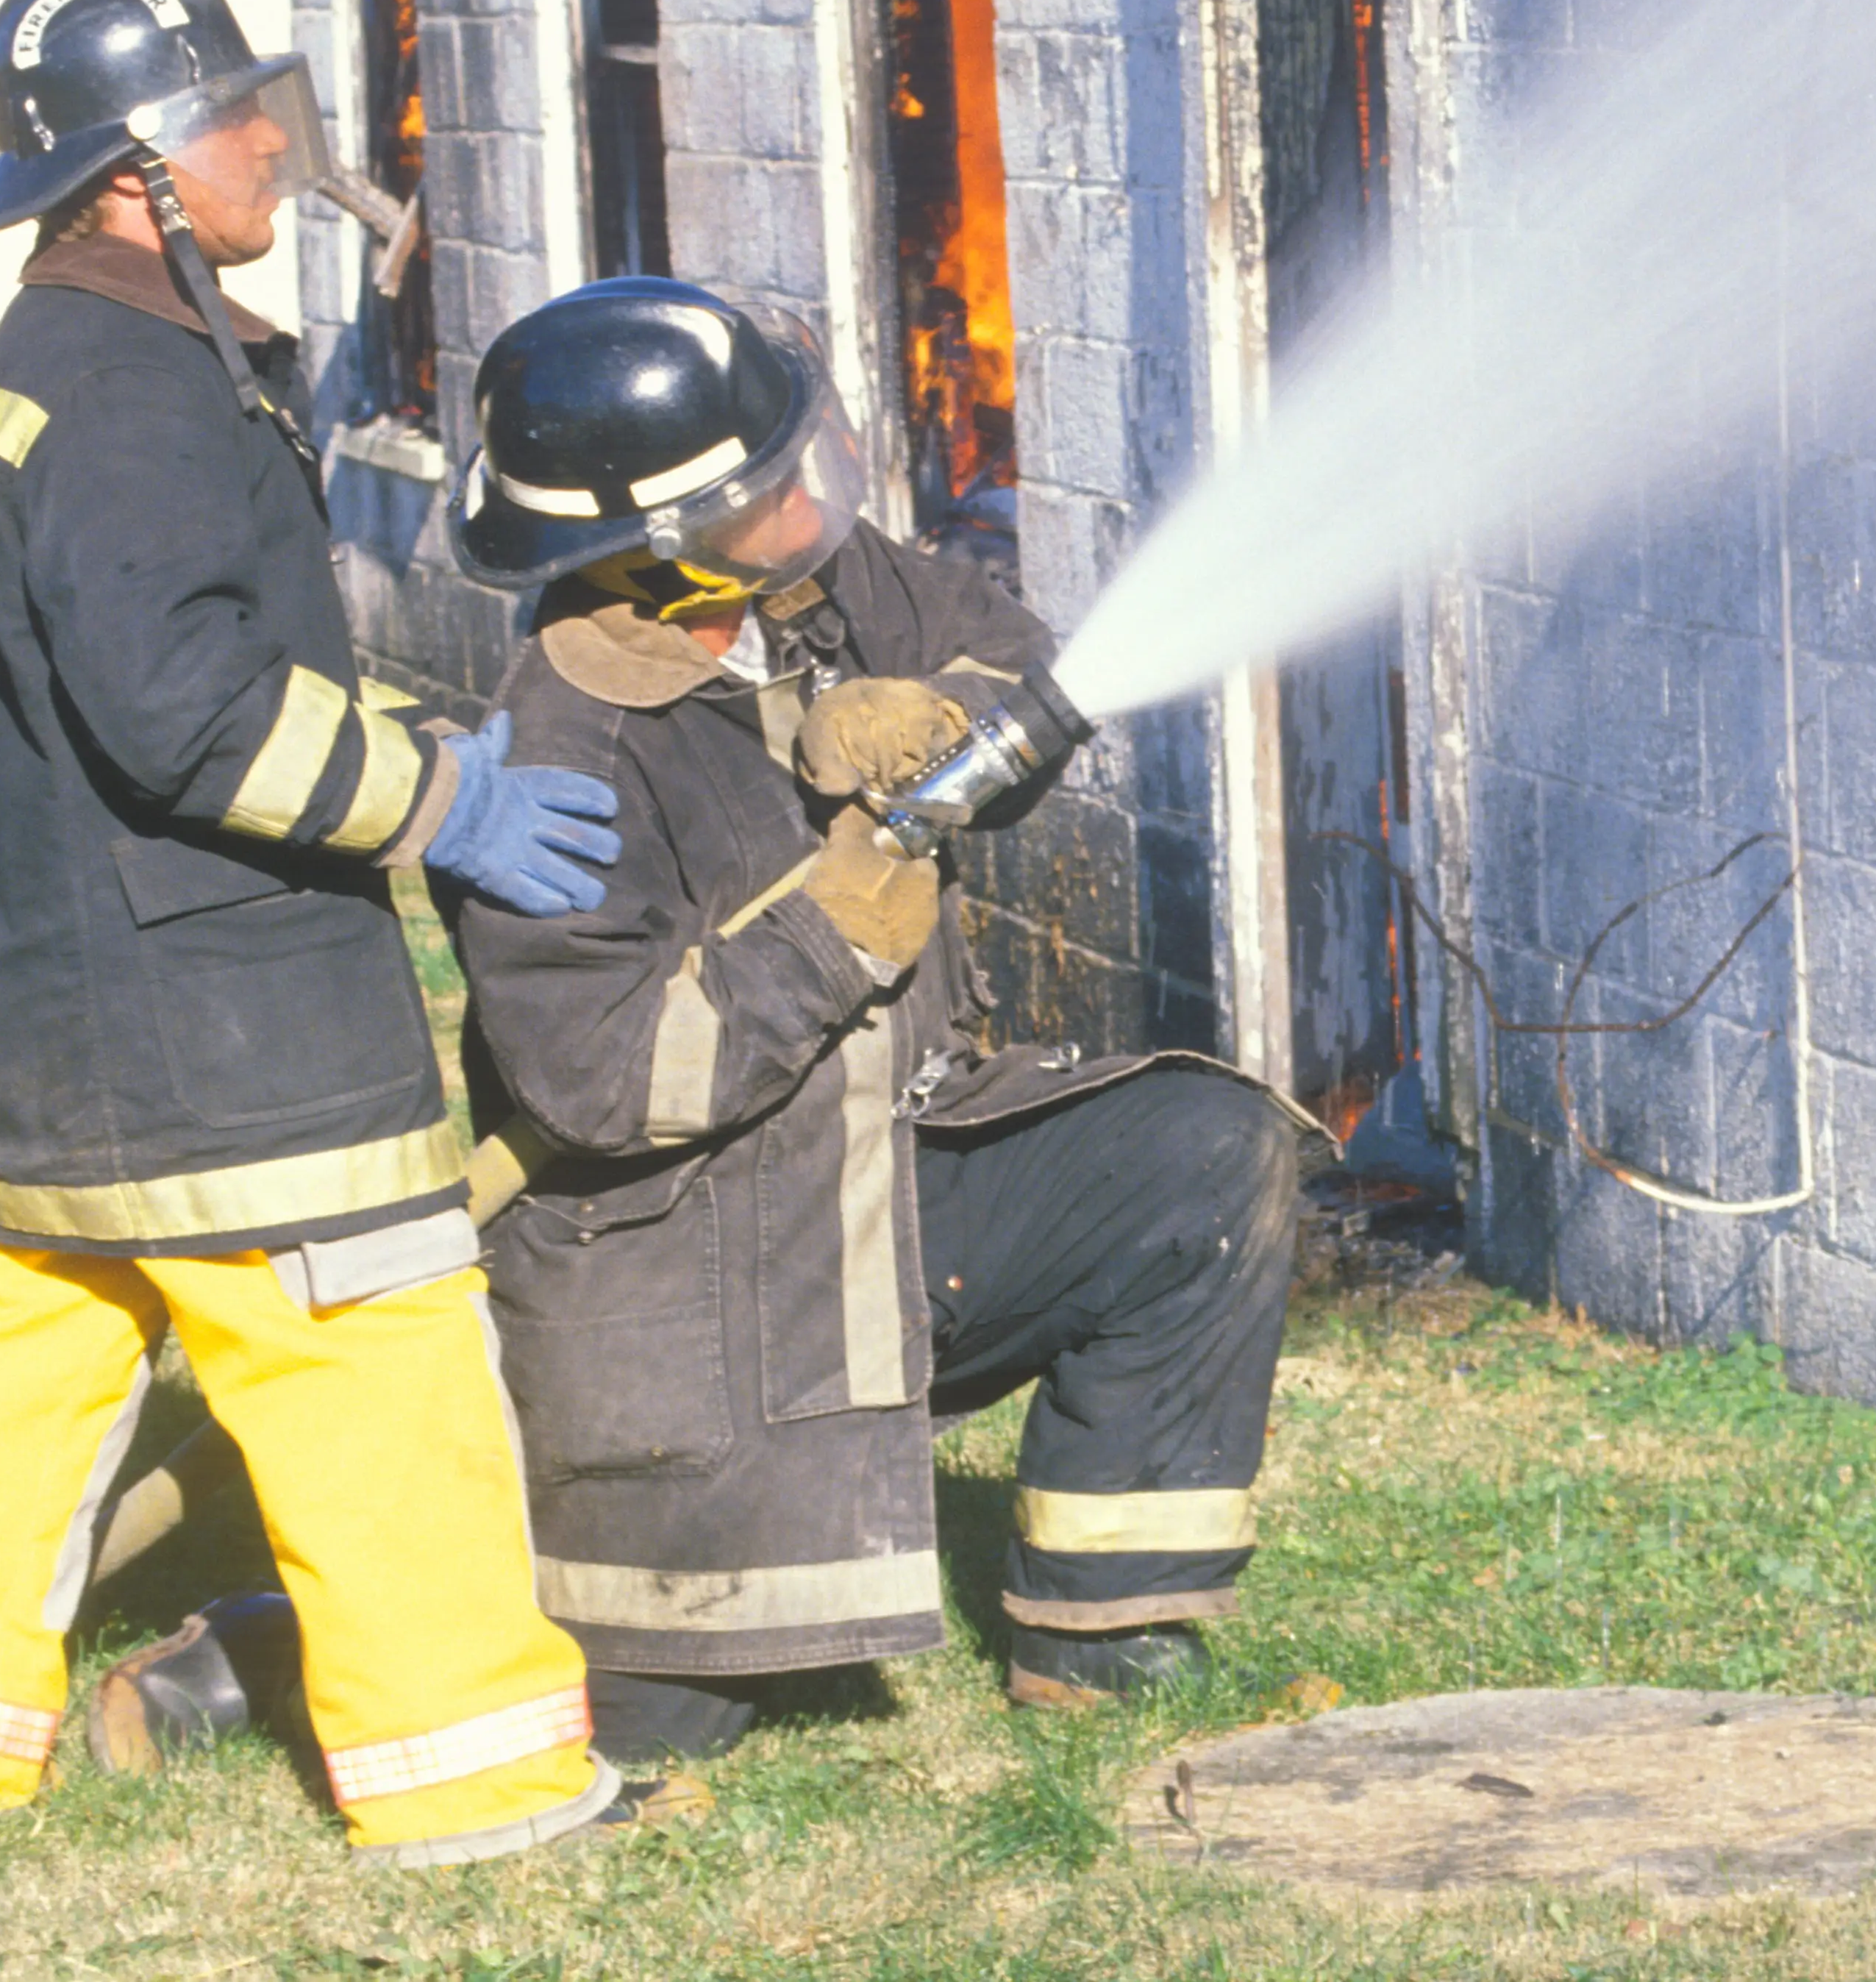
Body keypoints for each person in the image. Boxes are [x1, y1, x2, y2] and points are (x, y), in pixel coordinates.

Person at [0, 0, 644, 1867]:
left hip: (31, 1029)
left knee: (0, 1353)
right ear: (133, 176)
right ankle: (477, 1779)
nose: (279, 145)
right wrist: (444, 804)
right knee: (371, 1359)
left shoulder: (52, 367)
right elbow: (188, 718)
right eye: (237, 116)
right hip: (215, 1032)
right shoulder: (137, 395)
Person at [427, 277, 1306, 1755]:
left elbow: (1020, 658)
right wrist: (829, 935)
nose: (824, 470)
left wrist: (935, 714)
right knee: (631, 1707)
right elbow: (600, 1074)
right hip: (693, 1280)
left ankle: (1105, 1635)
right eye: (779, 468)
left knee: (1201, 1150)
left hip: (886, 1196)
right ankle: (243, 1648)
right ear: (668, 542)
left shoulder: (822, 589)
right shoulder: (563, 742)